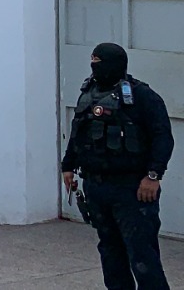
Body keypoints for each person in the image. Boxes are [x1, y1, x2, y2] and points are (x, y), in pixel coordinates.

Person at [62, 42, 174, 290]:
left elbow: (163, 138)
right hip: (96, 187)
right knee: (110, 252)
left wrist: (153, 175)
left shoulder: (142, 97)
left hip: (132, 190)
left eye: (99, 62)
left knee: (142, 255)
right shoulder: (88, 93)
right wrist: (68, 166)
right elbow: (78, 132)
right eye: (92, 61)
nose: (94, 67)